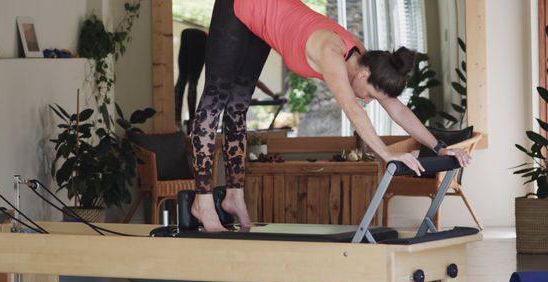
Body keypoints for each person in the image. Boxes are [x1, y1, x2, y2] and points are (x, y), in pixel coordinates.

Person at [190, 0, 471, 232]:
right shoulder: (331, 53)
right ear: (362, 75)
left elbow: (396, 107)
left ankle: (233, 196)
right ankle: (202, 203)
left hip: (261, 16)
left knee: (238, 106)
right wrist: (387, 154)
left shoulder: (367, 60)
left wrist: (437, 145)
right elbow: (352, 109)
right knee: (215, 97)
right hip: (238, 5)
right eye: (371, 95)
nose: (369, 100)